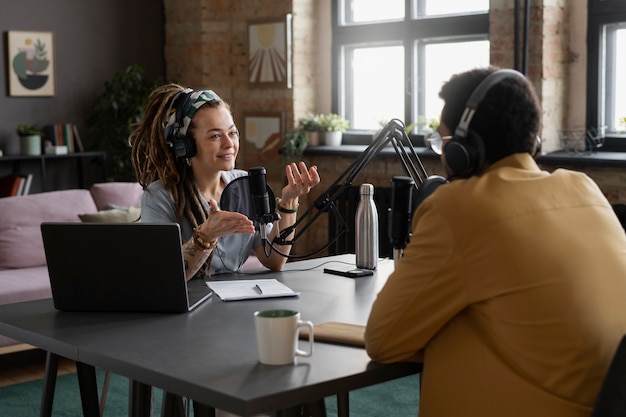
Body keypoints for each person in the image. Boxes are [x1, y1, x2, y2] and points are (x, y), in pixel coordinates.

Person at [364, 67, 626, 416]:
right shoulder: (584, 187)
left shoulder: (459, 206)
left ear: (464, 150)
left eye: (444, 143)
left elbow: (382, 340)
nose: (442, 155)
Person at [130, 83, 320, 280]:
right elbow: (164, 276)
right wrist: (205, 236)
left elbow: (274, 260)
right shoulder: (159, 197)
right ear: (185, 146)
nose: (229, 144)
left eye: (232, 133)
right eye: (215, 136)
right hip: (186, 306)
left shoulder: (245, 185)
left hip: (234, 303)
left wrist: (288, 203)